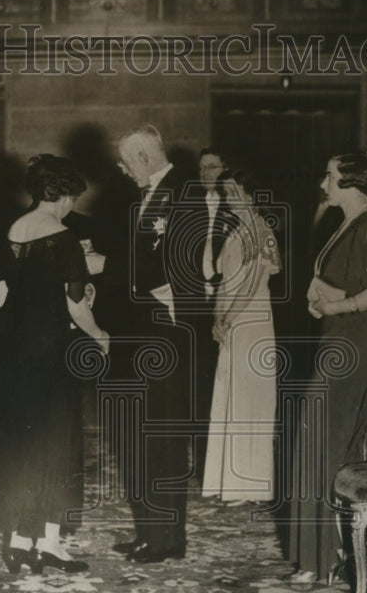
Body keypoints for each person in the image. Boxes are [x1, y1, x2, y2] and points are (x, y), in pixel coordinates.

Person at [0, 154, 108, 575]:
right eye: (71, 197)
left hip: (14, 354)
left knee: (23, 446)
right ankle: (48, 544)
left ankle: (18, 543)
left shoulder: (16, 230)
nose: (71, 205)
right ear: (63, 195)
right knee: (58, 446)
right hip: (51, 356)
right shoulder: (63, 238)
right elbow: (74, 304)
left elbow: (1, 292)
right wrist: (99, 334)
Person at [287, 153, 367, 584]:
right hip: (336, 344)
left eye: (330, 177)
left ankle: (319, 560)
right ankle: (328, 554)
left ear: (351, 183)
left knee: (322, 449)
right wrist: (321, 299)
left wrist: (339, 304)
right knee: (324, 449)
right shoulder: (347, 225)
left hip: (353, 349)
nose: (323, 183)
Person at [112, 124, 192, 563]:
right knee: (145, 435)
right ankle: (155, 533)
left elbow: (192, 262)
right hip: (145, 331)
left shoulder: (185, 191)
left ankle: (164, 539)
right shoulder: (148, 194)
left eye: (126, 164)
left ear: (144, 157)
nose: (124, 172)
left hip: (169, 334)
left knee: (162, 437)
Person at [203, 169, 281, 504]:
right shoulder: (236, 229)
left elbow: (252, 286)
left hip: (251, 322)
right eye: (224, 192)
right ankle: (230, 481)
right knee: (231, 395)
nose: (227, 199)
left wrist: (229, 318)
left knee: (250, 401)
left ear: (252, 195)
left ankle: (250, 482)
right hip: (233, 321)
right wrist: (218, 318)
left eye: (233, 192)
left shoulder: (262, 229)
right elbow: (226, 281)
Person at [186, 148, 235, 482]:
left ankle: (219, 464)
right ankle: (200, 461)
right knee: (197, 383)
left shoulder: (235, 208)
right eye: (201, 168)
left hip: (226, 299)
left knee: (222, 383)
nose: (205, 174)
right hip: (194, 302)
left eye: (212, 167)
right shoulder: (187, 205)